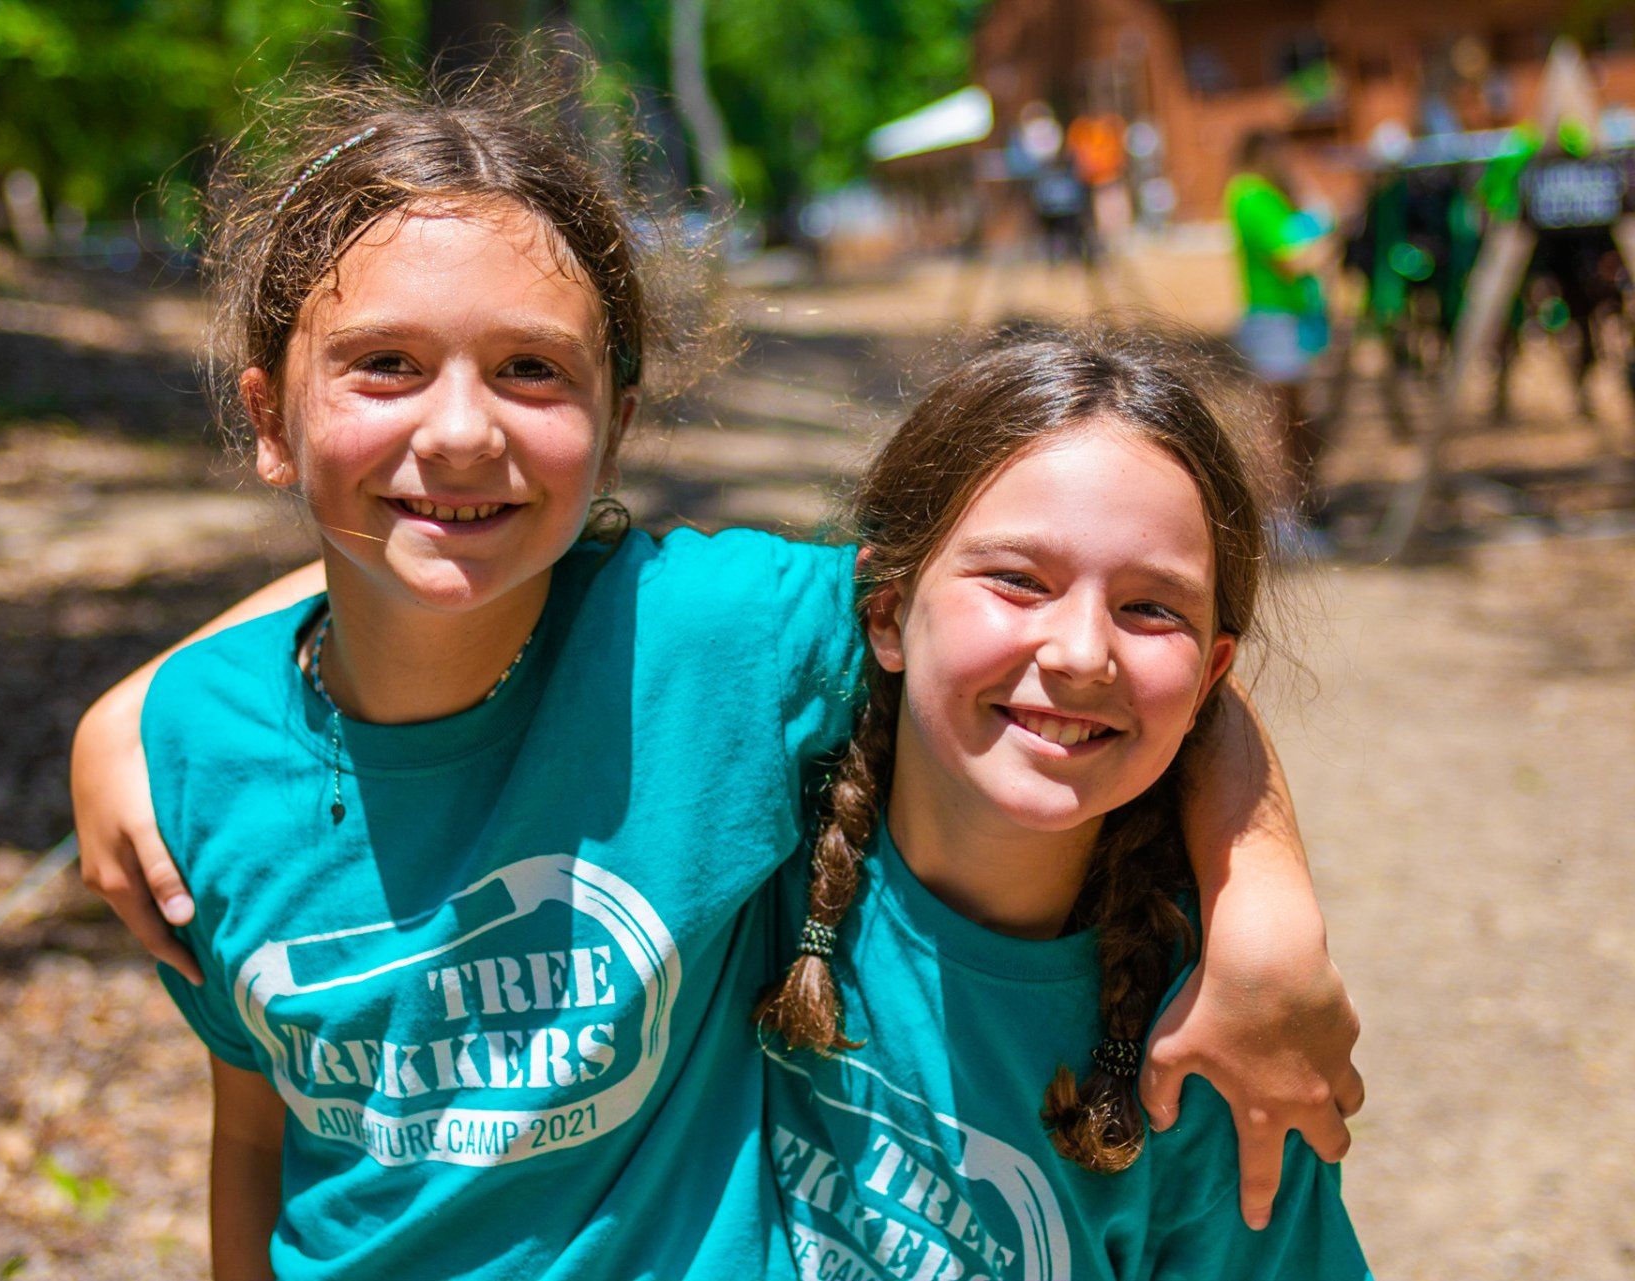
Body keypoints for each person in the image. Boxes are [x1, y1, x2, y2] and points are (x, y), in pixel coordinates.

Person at [69, 61, 1362, 1280]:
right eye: (386, 365)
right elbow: (254, 1129)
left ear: (616, 425)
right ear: (266, 419)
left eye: (530, 369)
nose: (459, 429)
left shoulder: (712, 635)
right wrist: (130, 717)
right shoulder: (193, 758)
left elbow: (1053, 640)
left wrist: (1267, 913)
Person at [757, 323, 1369, 1277]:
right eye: (1017, 580)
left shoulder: (1213, 1049)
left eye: (1151, 606)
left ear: (1210, 681)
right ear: (886, 612)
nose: (1082, 651)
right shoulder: (743, 857)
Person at [1226, 130, 1333, 528]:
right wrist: (1330, 234)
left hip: (1291, 320)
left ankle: (1298, 513)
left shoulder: (1267, 194)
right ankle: (1278, 519)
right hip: (1274, 321)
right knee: (1279, 425)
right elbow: (1295, 259)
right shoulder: (1251, 195)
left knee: (1297, 422)